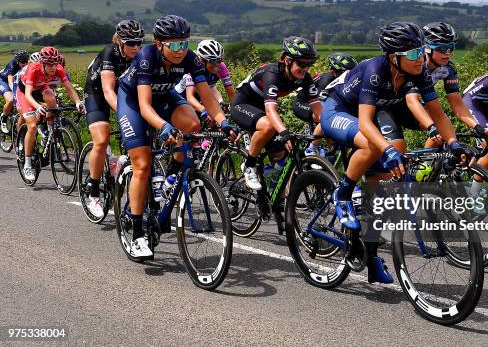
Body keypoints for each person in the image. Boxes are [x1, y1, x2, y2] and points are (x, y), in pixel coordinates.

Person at [320, 21, 472, 284]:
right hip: (340, 111)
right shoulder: (376, 70)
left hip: (372, 114)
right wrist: (387, 149)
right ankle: (342, 192)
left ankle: (371, 257)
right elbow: (365, 123)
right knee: (372, 145)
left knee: (376, 196)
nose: (419, 58)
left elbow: (438, 113)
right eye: (413, 54)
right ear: (393, 57)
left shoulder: (418, 72)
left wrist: (453, 142)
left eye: (420, 51)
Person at [116, 15, 237, 258]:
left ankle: (170, 177)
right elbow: (144, 105)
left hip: (166, 97)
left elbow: (209, 99)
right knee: (142, 164)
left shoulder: (191, 59)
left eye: (184, 44)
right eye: (174, 45)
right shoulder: (146, 57)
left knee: (192, 124)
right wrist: (163, 127)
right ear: (160, 44)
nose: (181, 50)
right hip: (134, 103)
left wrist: (224, 123)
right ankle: (138, 233)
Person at [230, 36, 321, 190]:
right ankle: (249, 166)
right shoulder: (272, 73)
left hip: (263, 110)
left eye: (309, 64)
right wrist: (284, 132)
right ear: (287, 60)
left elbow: (318, 109)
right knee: (268, 127)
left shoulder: (305, 78)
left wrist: (330, 127)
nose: (305, 69)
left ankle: (271, 187)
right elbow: (270, 110)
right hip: (243, 104)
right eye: (301, 63)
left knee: (281, 155)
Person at [83, 20, 145, 219]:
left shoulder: (140, 56)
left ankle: (120, 167)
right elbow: (108, 91)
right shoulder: (110, 53)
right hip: (97, 93)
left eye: (139, 42)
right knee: (101, 140)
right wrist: (127, 114)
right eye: (130, 43)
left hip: (124, 92)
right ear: (119, 41)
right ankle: (93, 192)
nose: (135, 47)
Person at [17, 47, 84, 181]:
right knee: (32, 126)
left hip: (41, 87)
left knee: (51, 98)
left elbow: (70, 89)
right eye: (49, 64)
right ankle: (28, 164)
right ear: (42, 63)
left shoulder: (58, 68)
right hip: (25, 91)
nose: (53, 67)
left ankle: (50, 128)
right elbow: (29, 94)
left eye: (55, 63)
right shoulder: (33, 68)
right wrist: (37, 107)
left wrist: (77, 102)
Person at [422, 22, 488, 146]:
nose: (448, 53)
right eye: (443, 48)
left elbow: (457, 105)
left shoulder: (448, 69)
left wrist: (476, 127)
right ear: (427, 48)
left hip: (419, 103)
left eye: (451, 47)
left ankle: (426, 164)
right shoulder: (415, 65)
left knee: (445, 132)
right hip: (396, 103)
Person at [293, 52, 358, 156]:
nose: (348, 76)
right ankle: (312, 148)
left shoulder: (342, 79)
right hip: (302, 103)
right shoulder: (326, 80)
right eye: (344, 72)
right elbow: (321, 106)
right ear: (334, 71)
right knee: (326, 117)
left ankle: (331, 154)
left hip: (319, 103)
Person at [0, 50, 29, 133]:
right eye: (22, 62)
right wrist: (14, 92)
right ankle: (4, 118)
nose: (25, 64)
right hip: (3, 80)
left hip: (15, 81)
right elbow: (10, 80)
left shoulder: (27, 65)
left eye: (26, 62)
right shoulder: (12, 64)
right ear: (17, 61)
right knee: (11, 99)